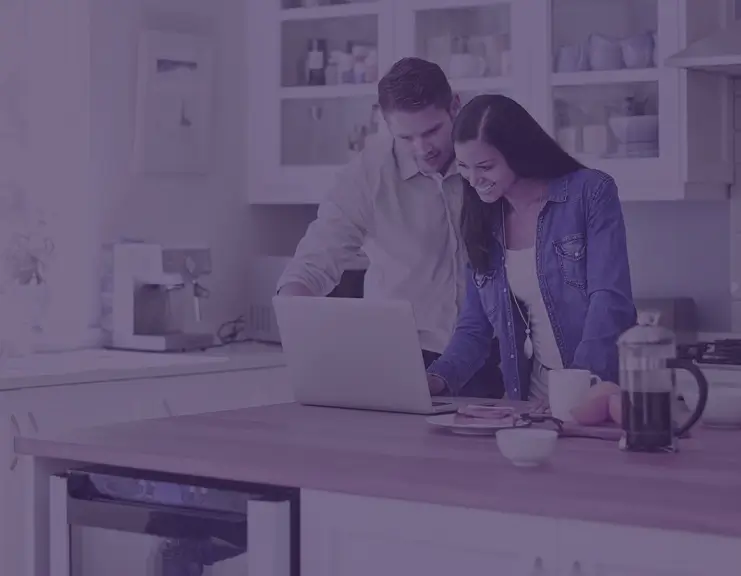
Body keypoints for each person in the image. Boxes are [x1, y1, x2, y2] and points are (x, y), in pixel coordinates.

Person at [276, 57, 504, 399]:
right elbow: (313, 265)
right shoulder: (366, 177)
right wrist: (299, 328)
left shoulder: (489, 160)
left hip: (495, 354)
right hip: (407, 361)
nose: (421, 148)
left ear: (455, 106)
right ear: (386, 124)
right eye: (406, 137)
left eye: (431, 131)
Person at [426, 94, 637, 401]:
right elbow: (474, 328)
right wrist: (435, 379)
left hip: (600, 396)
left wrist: (578, 391)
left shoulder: (589, 193)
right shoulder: (483, 220)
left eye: (485, 166)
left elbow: (609, 301)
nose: (473, 180)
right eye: (464, 167)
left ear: (517, 154)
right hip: (530, 404)